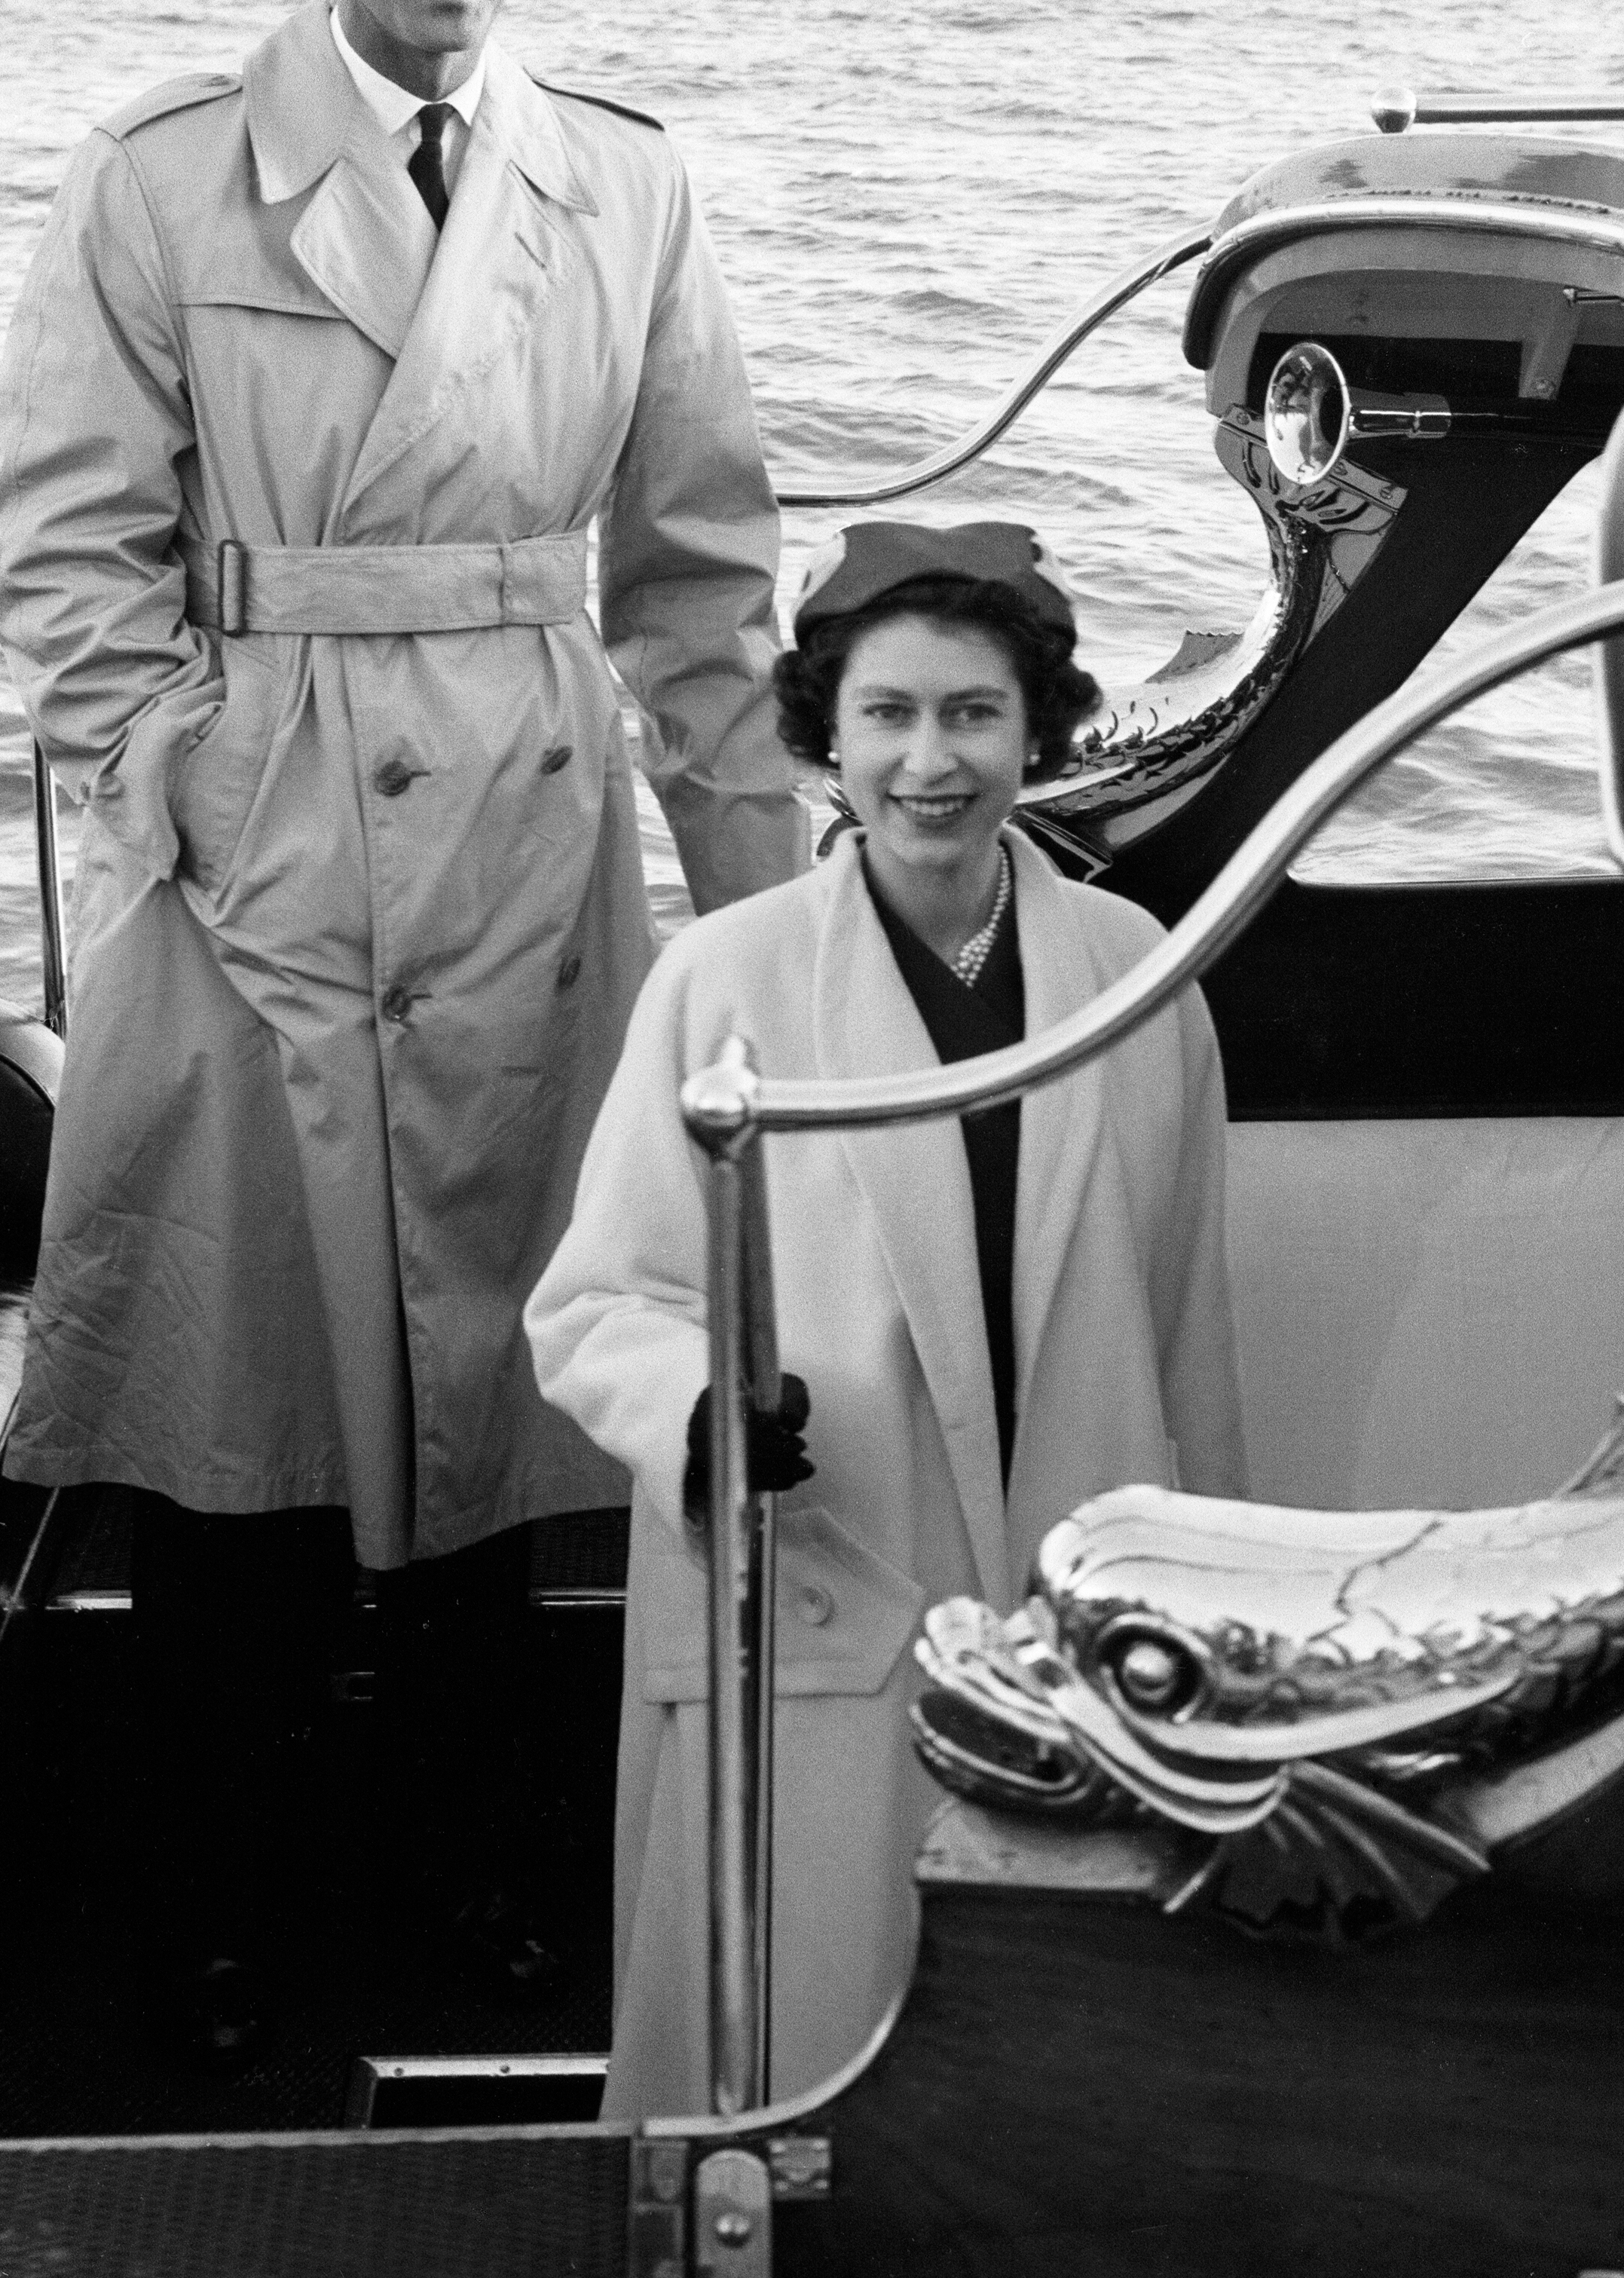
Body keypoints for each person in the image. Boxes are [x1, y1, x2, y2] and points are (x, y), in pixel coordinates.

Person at [0, 0, 802, 2058]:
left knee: (511, 1384)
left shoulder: (625, 183)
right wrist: (200, 782)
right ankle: (211, 1909)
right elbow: (63, 553)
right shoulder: (162, 178)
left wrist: (775, 923)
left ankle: (477, 1865)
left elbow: (702, 579)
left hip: (533, 839)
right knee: (236, 1398)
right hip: (261, 840)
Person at [527, 520, 1245, 2116]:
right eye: (890, 714)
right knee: (792, 2043)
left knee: (1051, 2081)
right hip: (824, 1572)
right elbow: (597, 1302)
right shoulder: (723, 976)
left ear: (1037, 730)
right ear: (826, 737)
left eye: (974, 712)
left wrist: (1200, 1609)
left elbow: (1191, 1326)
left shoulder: (1138, 973)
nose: (932, 760)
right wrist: (702, 1414)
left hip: (1071, 1594)